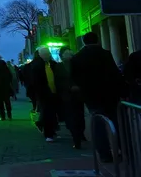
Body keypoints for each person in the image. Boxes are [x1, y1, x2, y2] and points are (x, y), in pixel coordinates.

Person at [70, 32, 125, 162]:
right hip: (109, 94)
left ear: (84, 42)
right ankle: (121, 149)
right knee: (115, 122)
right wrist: (122, 90)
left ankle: (104, 154)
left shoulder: (77, 58)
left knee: (98, 125)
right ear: (97, 40)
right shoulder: (105, 54)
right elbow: (114, 73)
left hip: (91, 96)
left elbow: (74, 78)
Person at [58, 46, 86, 149]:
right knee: (71, 118)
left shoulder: (77, 65)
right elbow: (58, 81)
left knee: (80, 116)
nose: (68, 55)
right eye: (66, 54)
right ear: (61, 56)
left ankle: (80, 133)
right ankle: (76, 138)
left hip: (78, 95)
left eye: (70, 53)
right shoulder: (59, 67)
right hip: (66, 96)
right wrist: (69, 87)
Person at [31, 46, 60, 142]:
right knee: (48, 114)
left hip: (54, 92)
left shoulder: (52, 64)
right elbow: (36, 82)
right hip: (44, 94)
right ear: (40, 55)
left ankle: (51, 130)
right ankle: (48, 134)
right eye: (45, 54)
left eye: (48, 53)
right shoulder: (38, 66)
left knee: (52, 113)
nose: (47, 55)